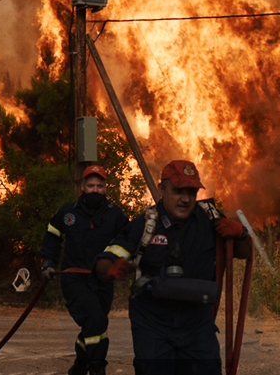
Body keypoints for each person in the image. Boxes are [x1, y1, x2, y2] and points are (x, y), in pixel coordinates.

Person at [94, 160, 251, 375]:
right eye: (178, 191)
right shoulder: (146, 224)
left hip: (197, 325)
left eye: (191, 192)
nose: (185, 199)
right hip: (152, 325)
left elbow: (243, 253)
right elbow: (107, 258)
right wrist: (111, 269)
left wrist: (240, 234)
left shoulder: (210, 219)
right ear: (162, 190)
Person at [39, 164, 129, 375]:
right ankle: (97, 368)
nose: (95, 190)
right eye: (91, 186)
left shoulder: (115, 214)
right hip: (74, 280)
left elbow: (128, 239)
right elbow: (52, 238)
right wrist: (48, 263)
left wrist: (122, 262)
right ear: (82, 186)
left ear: (105, 188)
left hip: (103, 281)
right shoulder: (67, 213)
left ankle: (80, 365)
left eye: (99, 186)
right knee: (96, 321)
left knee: (95, 325)